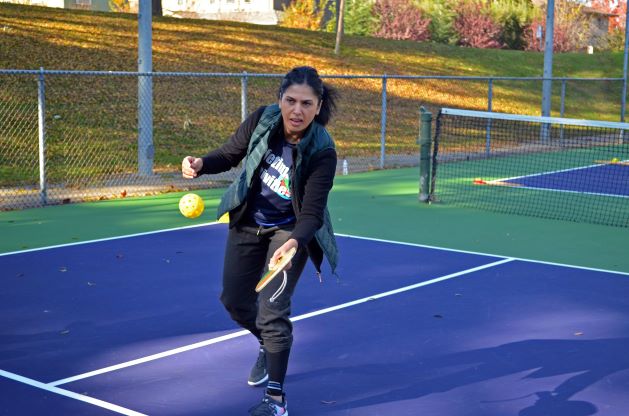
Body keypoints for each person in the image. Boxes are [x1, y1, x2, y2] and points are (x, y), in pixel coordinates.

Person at [181, 66, 339, 416]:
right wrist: (200, 163)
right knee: (235, 301)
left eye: (306, 103)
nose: (297, 110)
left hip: (290, 232)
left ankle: (276, 400)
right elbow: (229, 154)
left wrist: (295, 242)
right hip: (247, 223)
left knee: (273, 313)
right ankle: (267, 346)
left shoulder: (322, 151)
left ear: (318, 105)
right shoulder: (263, 120)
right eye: (290, 100)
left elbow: (312, 213)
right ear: (280, 98)